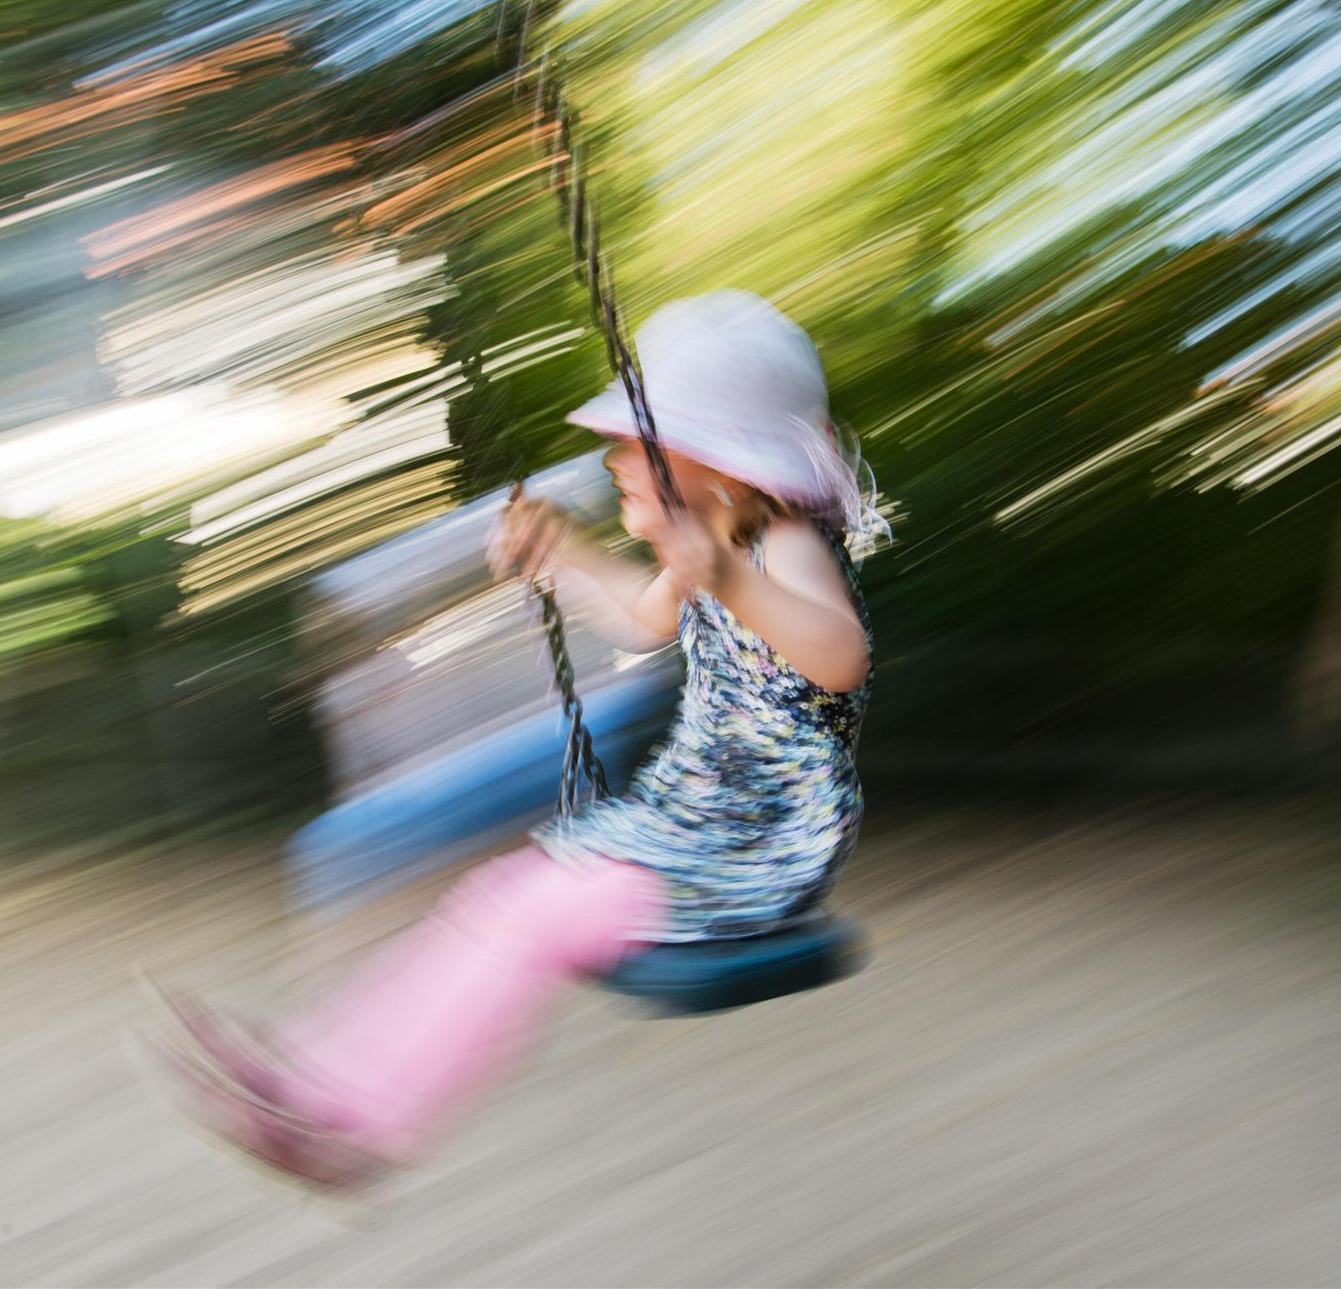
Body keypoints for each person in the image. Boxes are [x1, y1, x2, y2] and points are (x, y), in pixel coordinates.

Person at [151, 291, 887, 1189]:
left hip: (752, 842)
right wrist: (564, 552)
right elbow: (638, 622)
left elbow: (840, 655)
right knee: (498, 895)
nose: (615, 454)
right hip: (693, 827)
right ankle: (319, 1078)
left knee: (533, 915)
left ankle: (359, 1121)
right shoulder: (710, 556)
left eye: (639, 441)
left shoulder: (777, 547)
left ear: (722, 471)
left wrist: (731, 574)